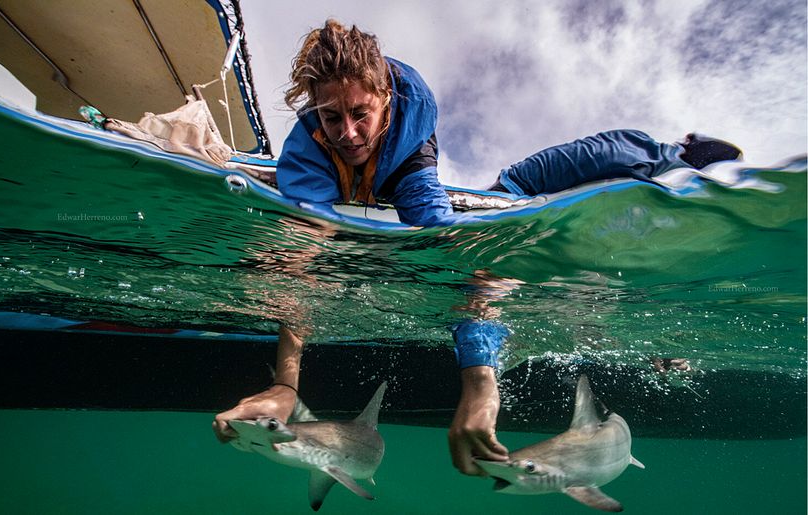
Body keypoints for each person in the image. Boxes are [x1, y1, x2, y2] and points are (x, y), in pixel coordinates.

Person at [212, 19, 742, 476]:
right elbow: (299, 263)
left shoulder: (412, 128)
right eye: (332, 117)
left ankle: (674, 150)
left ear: (387, 102)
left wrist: (479, 381)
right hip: (366, 189)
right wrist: (286, 385)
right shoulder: (308, 149)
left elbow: (461, 266)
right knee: (499, 189)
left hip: (407, 165)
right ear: (315, 112)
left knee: (514, 191)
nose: (348, 133)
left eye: (360, 114)